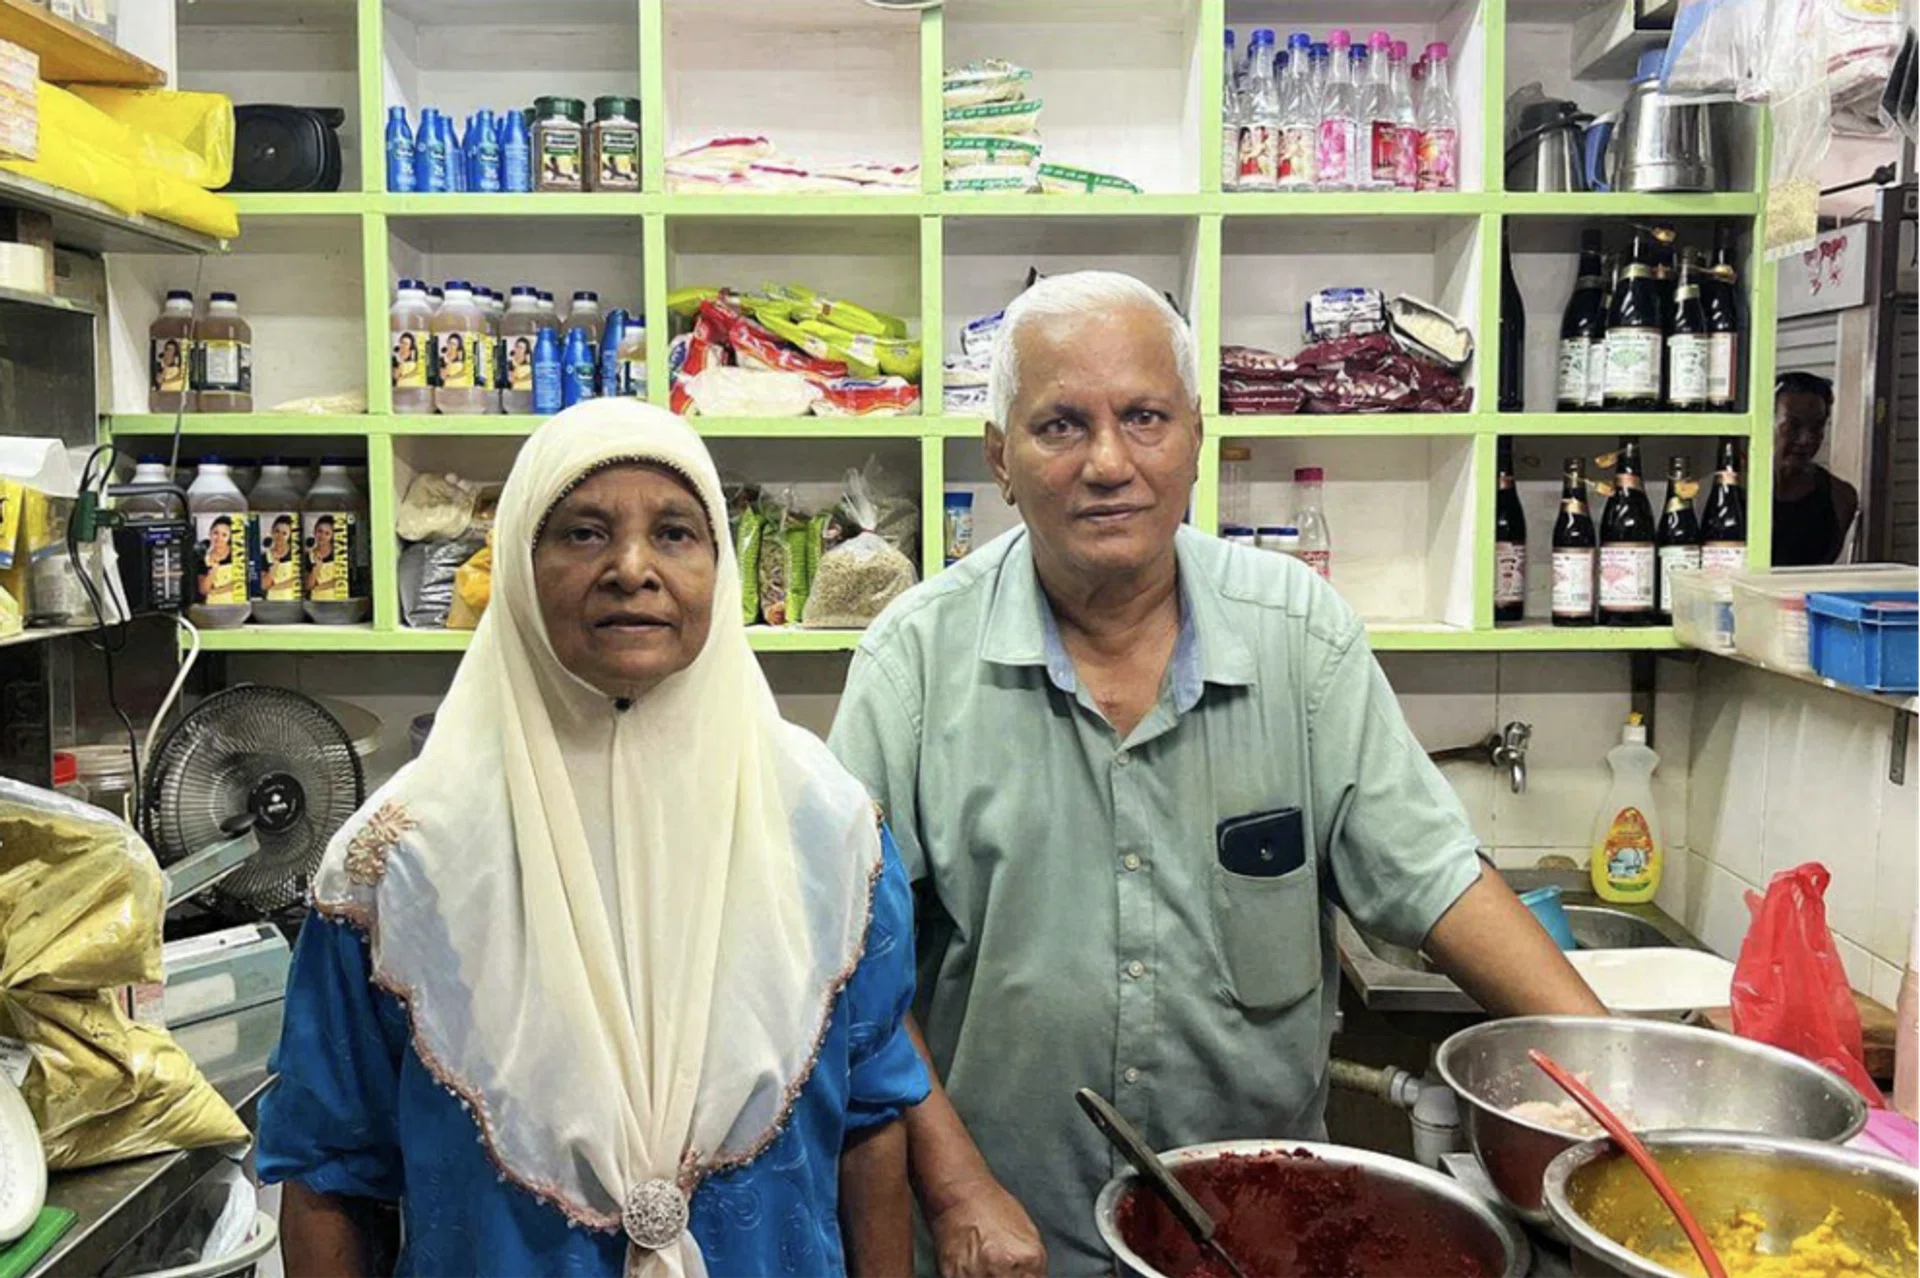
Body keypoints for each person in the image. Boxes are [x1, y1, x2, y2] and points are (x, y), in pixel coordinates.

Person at [827, 271, 1606, 1278]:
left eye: (1144, 417)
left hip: (1258, 1237)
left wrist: (1609, 1077)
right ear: (1001, 459)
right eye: (1062, 425)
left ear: (1196, 437)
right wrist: (958, 1186)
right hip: (1012, 1238)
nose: (1109, 462)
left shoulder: (1299, 636)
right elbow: (849, 969)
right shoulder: (914, 663)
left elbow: (1434, 879)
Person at [260, 400, 928, 1278]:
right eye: (581, 533)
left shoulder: (826, 831)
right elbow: (330, 1173)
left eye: (677, 533)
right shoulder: (399, 864)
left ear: (719, 569)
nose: (632, 569)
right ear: (518, 570)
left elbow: (871, 1127)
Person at [1773, 371, 1858, 566]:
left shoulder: (1841, 497)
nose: (1806, 439)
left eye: (1816, 427)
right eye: (1793, 426)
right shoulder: (1728, 492)